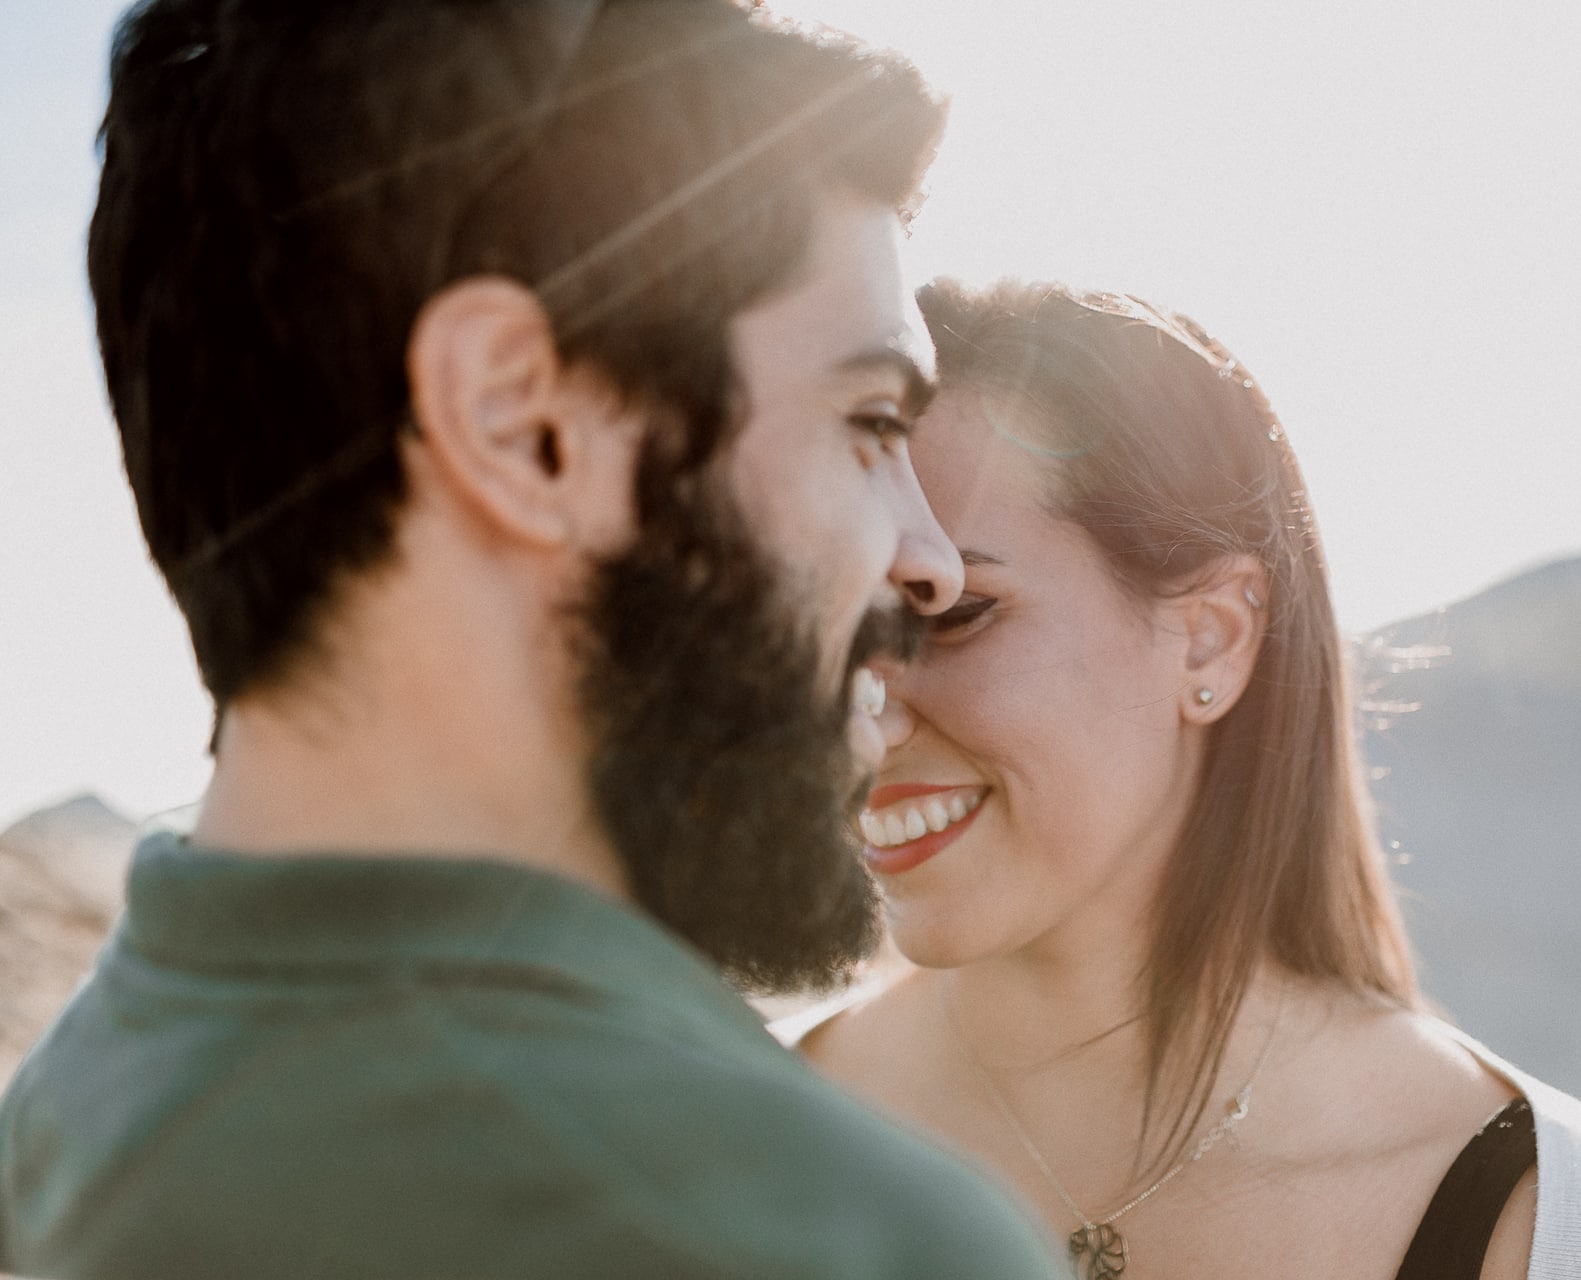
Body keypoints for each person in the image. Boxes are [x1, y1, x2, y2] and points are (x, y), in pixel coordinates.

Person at [0, 4, 1064, 1277]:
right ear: (521, 425)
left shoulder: (69, 1116)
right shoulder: (812, 1235)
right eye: (870, 418)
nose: (929, 558)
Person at [797, 279, 1581, 1279]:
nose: (865, 708)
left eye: (952, 614)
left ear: (1212, 638)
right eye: (824, 629)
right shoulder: (689, 1142)